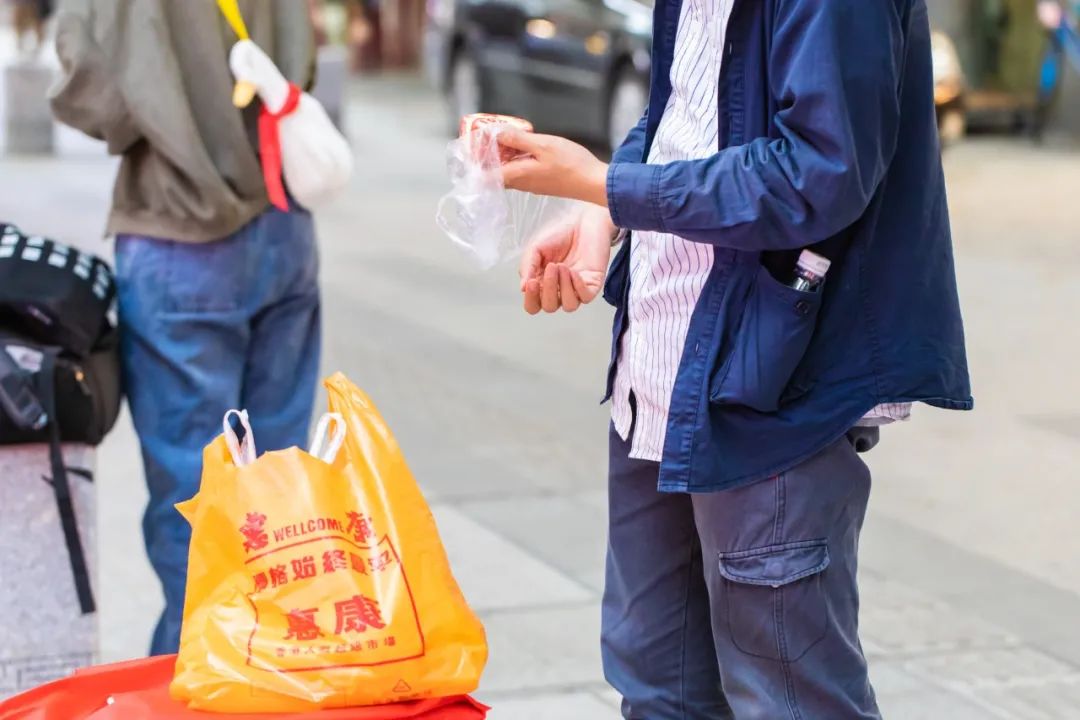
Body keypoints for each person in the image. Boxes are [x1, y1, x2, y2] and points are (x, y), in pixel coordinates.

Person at [499, 0, 972, 717]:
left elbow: (821, 170)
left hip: (772, 386)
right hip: (657, 371)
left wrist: (606, 185)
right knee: (659, 687)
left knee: (789, 698)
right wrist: (606, 212)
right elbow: (686, 112)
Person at [49, 0, 320, 655]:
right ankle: (273, 670)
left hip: (179, 232)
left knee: (194, 507)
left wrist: (168, 114)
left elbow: (89, 91)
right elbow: (302, 66)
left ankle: (207, 678)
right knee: (279, 493)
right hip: (283, 226)